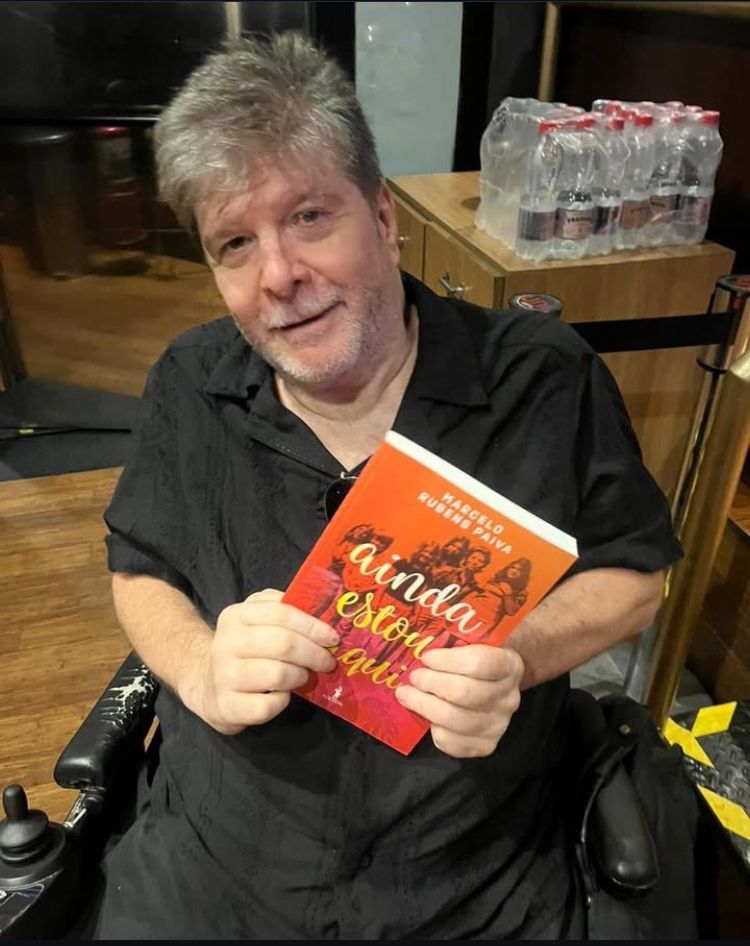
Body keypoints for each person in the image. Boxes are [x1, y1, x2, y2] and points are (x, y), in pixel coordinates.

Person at [94, 33, 682, 939]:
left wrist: (520, 658)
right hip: (222, 869)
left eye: (309, 217)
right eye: (234, 244)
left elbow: (636, 572)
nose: (278, 276)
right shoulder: (189, 381)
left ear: (383, 215)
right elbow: (139, 567)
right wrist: (201, 669)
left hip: (468, 881)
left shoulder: (542, 379)